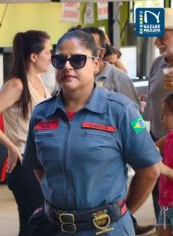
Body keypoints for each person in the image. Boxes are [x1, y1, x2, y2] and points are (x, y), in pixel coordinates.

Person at [23, 30, 161, 235]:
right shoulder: (42, 114)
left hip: (106, 229)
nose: (67, 66)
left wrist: (121, 214)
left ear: (96, 63)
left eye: (78, 60)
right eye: (59, 60)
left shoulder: (120, 111)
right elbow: (40, 169)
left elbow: (149, 170)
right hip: (54, 228)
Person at [0, 30, 52, 236]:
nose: (51, 57)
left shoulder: (40, 81)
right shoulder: (16, 85)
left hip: (40, 163)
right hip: (24, 165)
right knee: (31, 227)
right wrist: (10, 145)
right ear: (34, 56)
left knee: (43, 225)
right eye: (48, 52)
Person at [147, 7, 173, 224]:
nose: (156, 43)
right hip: (158, 142)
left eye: (161, 35)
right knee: (162, 208)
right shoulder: (157, 64)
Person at [80, 27, 141, 111]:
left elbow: (135, 114)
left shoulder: (119, 78)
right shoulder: (72, 75)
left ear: (102, 52)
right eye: (82, 47)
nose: (86, 52)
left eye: (93, 48)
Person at [155, 93, 173, 236]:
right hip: (165, 203)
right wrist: (135, 122)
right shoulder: (169, 137)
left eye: (166, 114)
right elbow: (150, 147)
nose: (161, 119)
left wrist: (163, 169)